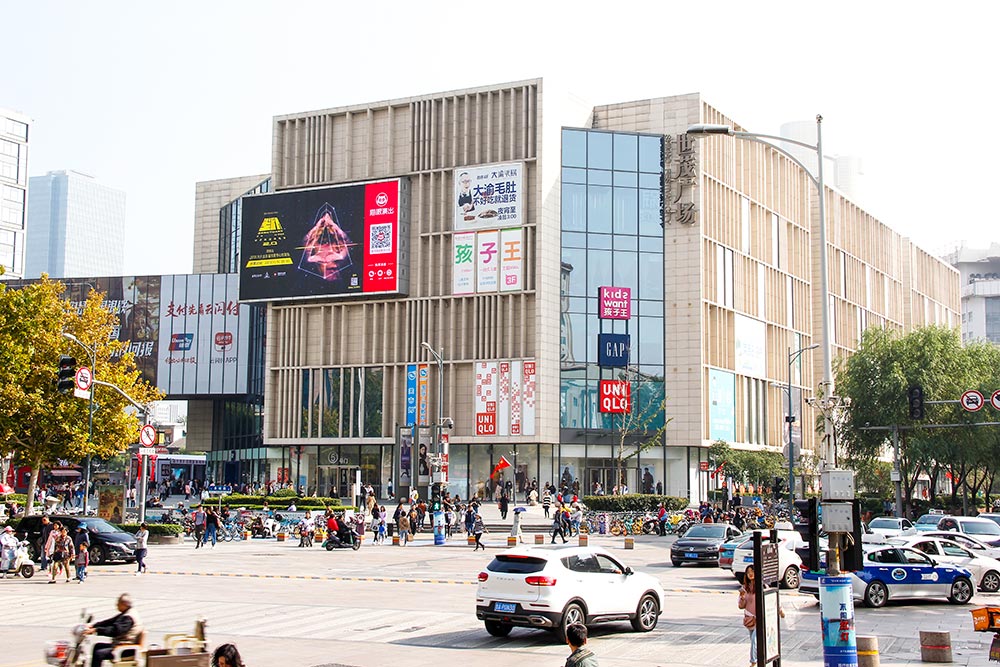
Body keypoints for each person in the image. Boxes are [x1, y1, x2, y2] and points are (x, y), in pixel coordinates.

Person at [85, 594, 143, 667]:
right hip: (120, 645)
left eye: (118, 603)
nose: (116, 605)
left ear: (124, 604)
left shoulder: (128, 618)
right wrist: (93, 626)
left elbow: (115, 631)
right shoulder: (126, 613)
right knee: (97, 646)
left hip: (126, 649)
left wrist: (97, 630)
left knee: (99, 653)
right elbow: (110, 621)